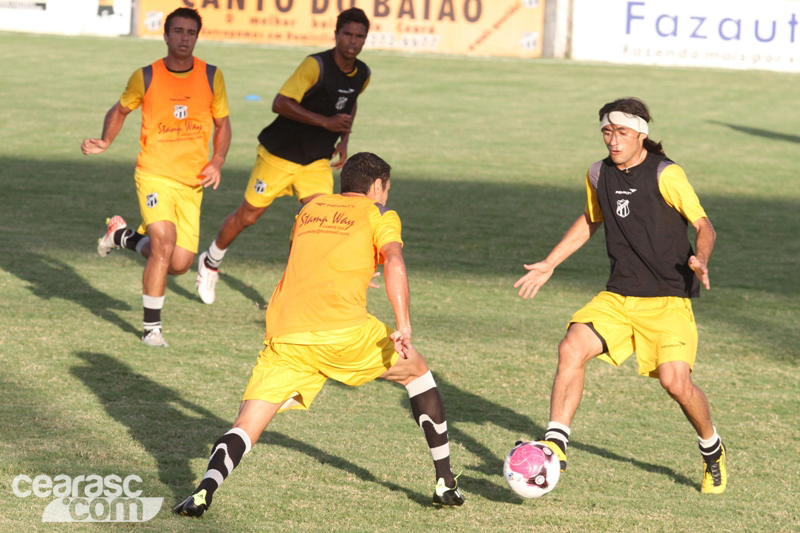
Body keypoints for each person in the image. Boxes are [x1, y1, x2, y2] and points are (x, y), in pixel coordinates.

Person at [173, 153, 465, 517]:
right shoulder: (380, 214)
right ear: (377, 186)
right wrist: (403, 324)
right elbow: (393, 259)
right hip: (343, 332)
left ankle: (203, 490)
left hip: (286, 333)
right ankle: (445, 483)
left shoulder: (309, 210)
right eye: (387, 188)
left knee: (246, 425)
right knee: (417, 372)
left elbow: (312, 253)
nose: (387, 195)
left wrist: (353, 269)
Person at [514, 98, 727, 494]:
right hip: (619, 296)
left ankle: (712, 447)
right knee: (571, 347)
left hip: (667, 300)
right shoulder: (599, 173)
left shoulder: (667, 174)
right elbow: (592, 217)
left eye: (622, 133)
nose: (613, 140)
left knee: (676, 383)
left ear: (641, 134)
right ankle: (556, 441)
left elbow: (704, 224)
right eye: (607, 132)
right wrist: (550, 262)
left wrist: (701, 257)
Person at [195, 7, 372, 304]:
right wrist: (325, 122)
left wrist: (343, 139)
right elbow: (280, 103)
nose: (353, 41)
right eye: (348, 34)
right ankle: (211, 260)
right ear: (336, 34)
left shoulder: (363, 74)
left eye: (359, 36)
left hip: (315, 160)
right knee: (248, 216)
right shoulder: (315, 66)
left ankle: (295, 288)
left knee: (318, 218)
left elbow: (349, 105)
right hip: (279, 154)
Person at [81, 8, 231, 347]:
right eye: (177, 31)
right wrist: (105, 140)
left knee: (178, 263)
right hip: (154, 175)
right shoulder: (146, 76)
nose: (184, 38)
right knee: (163, 243)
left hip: (192, 183)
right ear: (165, 36)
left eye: (190, 32)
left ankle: (122, 236)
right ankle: (152, 330)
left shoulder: (211, 76)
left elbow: (223, 124)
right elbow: (120, 110)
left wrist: (218, 159)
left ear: (196, 36)